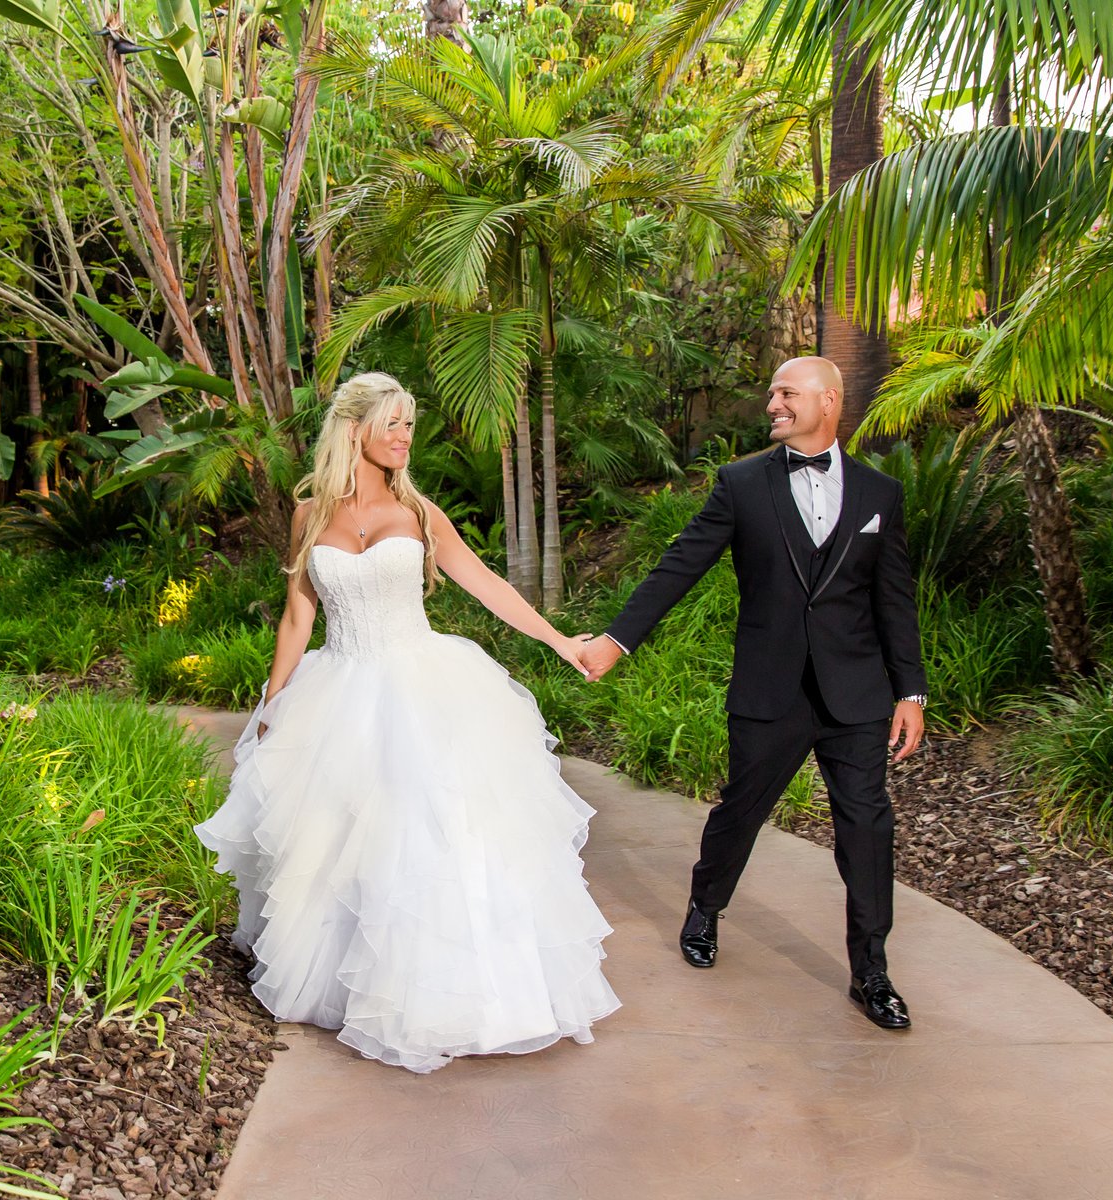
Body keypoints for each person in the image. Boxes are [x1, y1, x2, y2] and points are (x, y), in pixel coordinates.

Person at [194, 372, 621, 1074]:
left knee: (434, 838)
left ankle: (459, 999)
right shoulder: (309, 515)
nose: (404, 436)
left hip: (425, 689)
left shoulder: (419, 512)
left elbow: (487, 584)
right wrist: (273, 703)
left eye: (409, 425)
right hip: (337, 693)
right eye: (392, 423)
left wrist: (560, 641)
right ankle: (349, 986)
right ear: (354, 427)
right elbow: (299, 614)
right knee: (340, 842)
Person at [580, 356, 927, 1029]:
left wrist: (910, 691)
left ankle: (872, 972)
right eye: (771, 392)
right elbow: (680, 565)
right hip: (771, 688)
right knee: (741, 811)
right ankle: (706, 906)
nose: (772, 403)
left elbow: (895, 600)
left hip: (856, 693)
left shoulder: (880, 494)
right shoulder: (741, 485)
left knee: (867, 828)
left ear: (828, 401)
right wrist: (617, 641)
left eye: (786, 393)